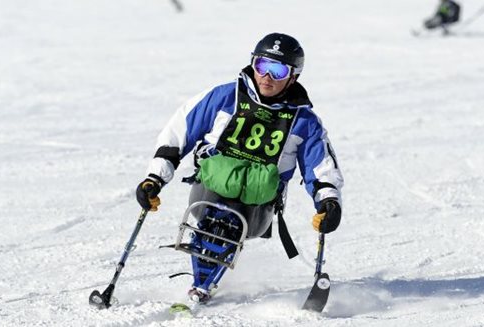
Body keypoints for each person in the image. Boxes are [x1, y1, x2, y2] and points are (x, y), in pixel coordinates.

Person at [135, 33, 344, 303]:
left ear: (293, 76)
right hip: (211, 188)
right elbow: (179, 133)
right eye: (261, 66)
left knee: (235, 222)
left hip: (259, 203)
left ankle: (205, 282)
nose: (267, 77)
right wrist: (155, 178)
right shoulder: (225, 97)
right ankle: (202, 282)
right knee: (215, 213)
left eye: (277, 70)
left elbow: (321, 165)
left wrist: (328, 201)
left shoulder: (303, 121)